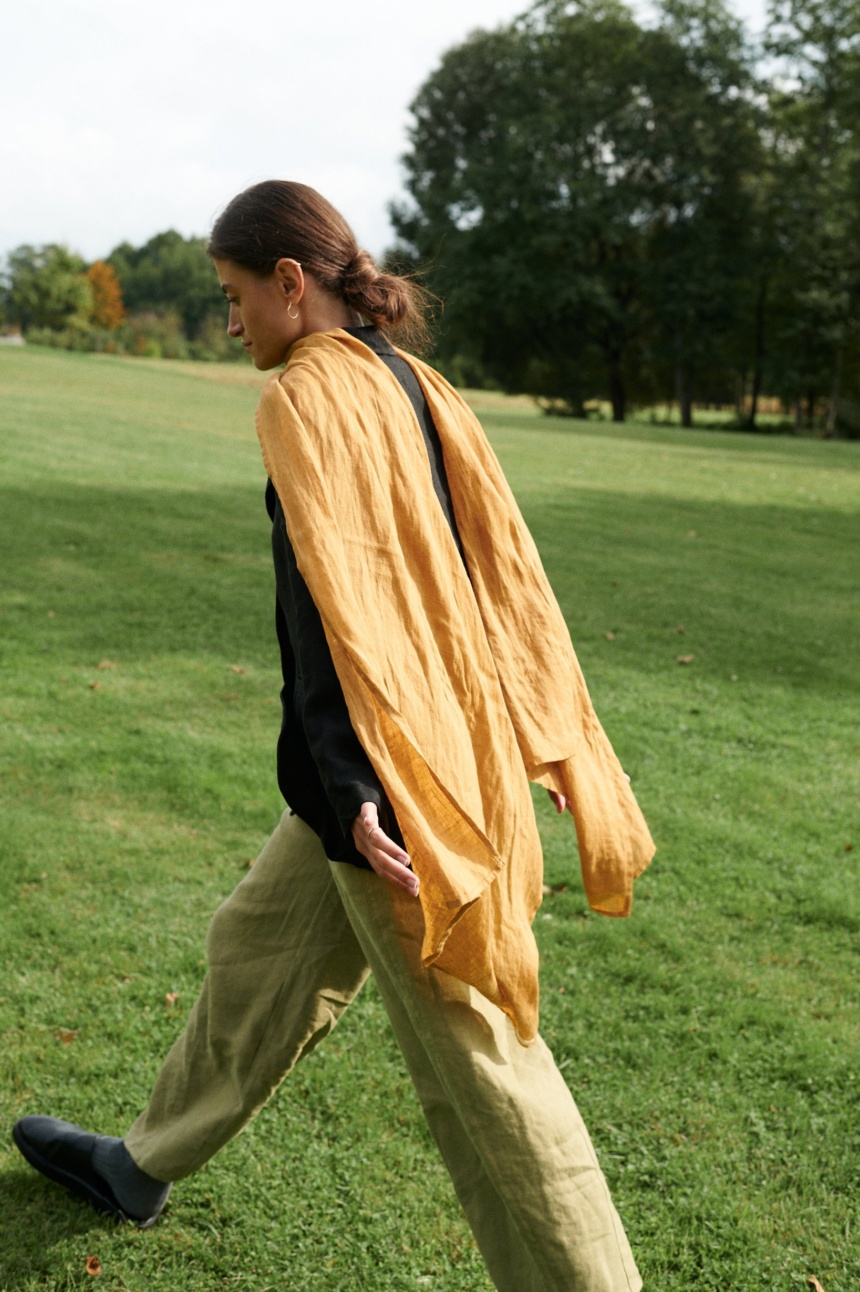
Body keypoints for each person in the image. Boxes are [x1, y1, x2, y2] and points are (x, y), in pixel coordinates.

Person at [12, 181, 655, 1291]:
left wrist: (357, 786)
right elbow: (495, 571)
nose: (229, 322)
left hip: (395, 783)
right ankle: (141, 1161)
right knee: (257, 951)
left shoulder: (308, 399)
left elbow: (331, 608)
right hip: (420, 749)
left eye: (231, 296)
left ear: (290, 283)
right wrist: (530, 729)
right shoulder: (415, 380)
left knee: (486, 1064)